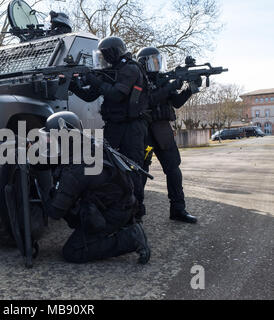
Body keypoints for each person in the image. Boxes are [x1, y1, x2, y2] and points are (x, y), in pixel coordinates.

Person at [36, 111, 150, 264]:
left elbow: (55, 211)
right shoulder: (86, 144)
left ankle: (130, 238)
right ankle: (122, 226)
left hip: (114, 211)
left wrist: (42, 192)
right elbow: (53, 159)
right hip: (122, 203)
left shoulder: (76, 168)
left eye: (50, 138)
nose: (48, 142)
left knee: (72, 252)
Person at [69, 36, 150, 222]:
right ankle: (114, 205)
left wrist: (94, 80)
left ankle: (136, 212)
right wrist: (73, 84)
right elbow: (90, 96)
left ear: (114, 53)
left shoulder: (131, 68)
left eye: (106, 55)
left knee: (132, 167)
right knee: (106, 166)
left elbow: (117, 94)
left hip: (132, 128)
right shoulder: (111, 71)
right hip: (114, 126)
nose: (103, 59)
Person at [136, 47, 201, 223]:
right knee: (141, 171)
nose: (157, 64)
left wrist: (189, 88)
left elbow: (177, 102)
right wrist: (172, 85)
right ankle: (134, 213)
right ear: (144, 62)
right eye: (154, 61)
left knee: (173, 170)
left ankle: (178, 209)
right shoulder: (138, 79)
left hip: (163, 132)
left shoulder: (163, 80)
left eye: (159, 60)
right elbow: (149, 99)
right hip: (147, 134)